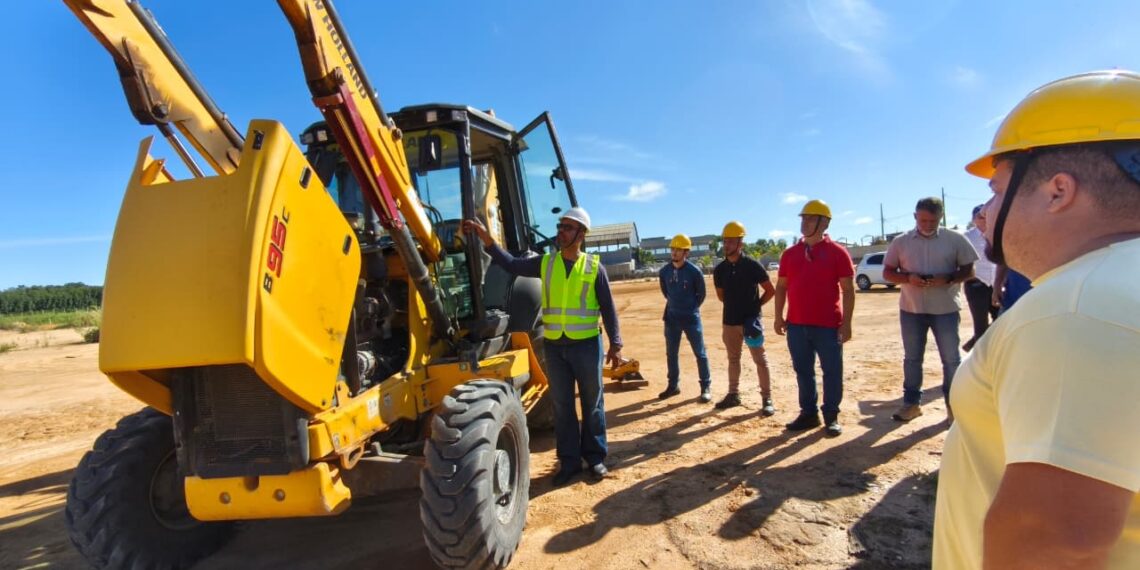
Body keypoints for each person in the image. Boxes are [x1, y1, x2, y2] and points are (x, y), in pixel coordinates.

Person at [934, 69, 1140, 569]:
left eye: (998, 187)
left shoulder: (1076, 309)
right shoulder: (1117, 283)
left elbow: (1053, 541)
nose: (985, 210)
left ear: (1057, 191)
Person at [462, 207, 622, 486]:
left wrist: (616, 344)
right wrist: (487, 239)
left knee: (592, 403)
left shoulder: (595, 268)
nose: (561, 232)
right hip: (555, 348)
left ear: (581, 234)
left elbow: (608, 309)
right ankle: (569, 462)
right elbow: (510, 263)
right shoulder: (546, 263)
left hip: (586, 346)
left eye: (568, 228)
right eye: (560, 226)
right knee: (562, 407)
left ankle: (595, 458)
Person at [882, 197, 977, 422]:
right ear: (915, 216)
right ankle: (911, 404)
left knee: (951, 359)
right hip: (911, 310)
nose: (927, 225)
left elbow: (969, 270)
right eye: (922, 220)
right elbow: (887, 272)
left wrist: (949, 278)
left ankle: (955, 406)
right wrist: (908, 278)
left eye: (932, 221)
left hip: (945, 309)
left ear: (941, 217)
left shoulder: (955, 239)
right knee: (913, 358)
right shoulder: (900, 242)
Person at [772, 199, 855, 436]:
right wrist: (779, 317)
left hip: (828, 326)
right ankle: (808, 414)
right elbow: (781, 287)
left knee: (832, 371)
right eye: (803, 218)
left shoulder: (838, 253)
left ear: (824, 222)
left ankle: (831, 416)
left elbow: (848, 289)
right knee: (803, 371)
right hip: (796, 326)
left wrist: (847, 324)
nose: (804, 222)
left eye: (810, 218)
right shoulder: (790, 254)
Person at [712, 221, 776, 413]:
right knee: (733, 359)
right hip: (729, 323)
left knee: (760, 360)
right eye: (725, 241)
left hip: (751, 324)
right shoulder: (720, 270)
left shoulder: (752, 266)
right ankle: (733, 395)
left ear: (741, 243)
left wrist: (755, 308)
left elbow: (770, 290)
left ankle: (767, 399)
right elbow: (721, 296)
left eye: (731, 241)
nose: (727, 245)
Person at [658, 233, 712, 402]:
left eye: (678, 250)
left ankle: (705, 387)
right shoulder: (664, 271)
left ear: (686, 252)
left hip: (691, 318)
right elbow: (666, 292)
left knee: (700, 353)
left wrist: (690, 308)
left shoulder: (694, 272)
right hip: (672, 318)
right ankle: (673, 386)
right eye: (672, 249)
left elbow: (701, 294)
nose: (674, 252)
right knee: (671, 354)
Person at [962, 204, 999, 351]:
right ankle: (979, 358)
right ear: (973, 219)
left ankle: (973, 344)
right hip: (976, 284)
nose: (984, 219)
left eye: (986, 215)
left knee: (1001, 318)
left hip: (996, 284)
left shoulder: (997, 234)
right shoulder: (966, 237)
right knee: (980, 324)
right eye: (980, 216)